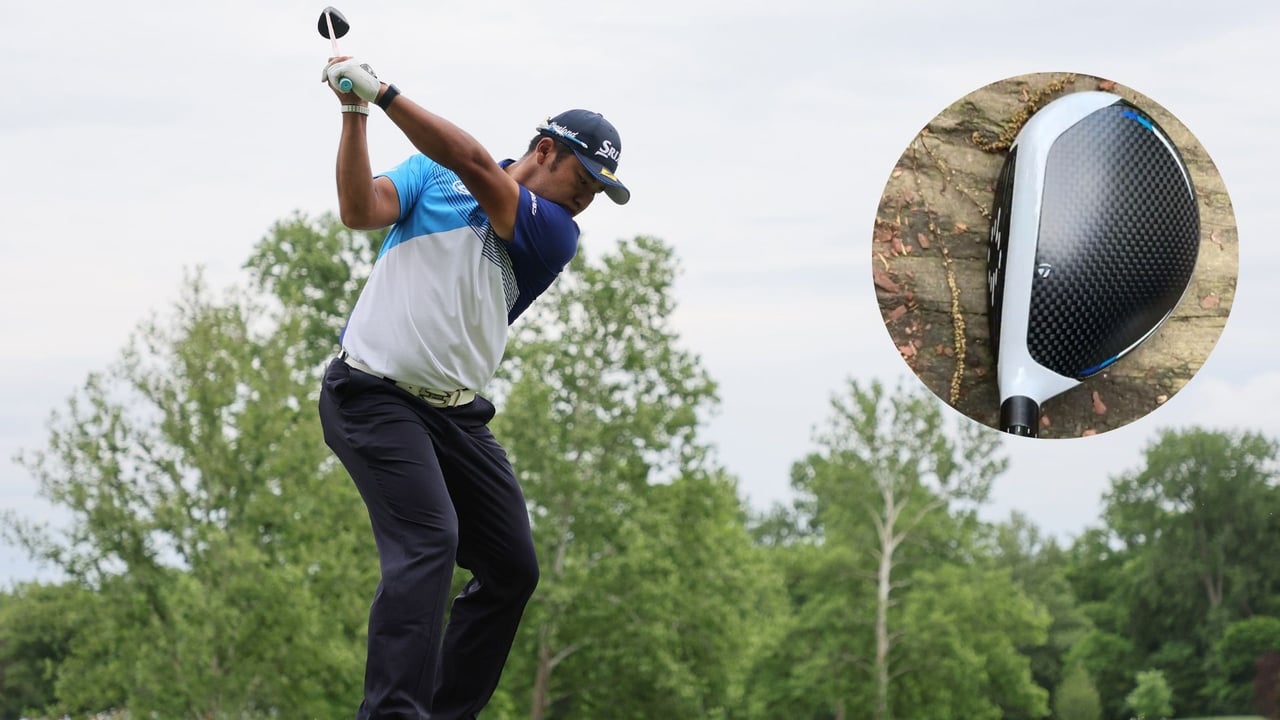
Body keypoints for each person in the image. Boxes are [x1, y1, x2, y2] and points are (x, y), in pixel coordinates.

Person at [315, 57, 629, 719]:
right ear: (546, 151)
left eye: (601, 190)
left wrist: (385, 92)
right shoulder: (432, 174)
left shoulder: (553, 231)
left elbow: (478, 166)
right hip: (370, 397)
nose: (589, 197)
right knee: (430, 543)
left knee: (513, 569)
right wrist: (354, 115)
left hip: (456, 419)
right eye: (586, 178)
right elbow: (358, 208)